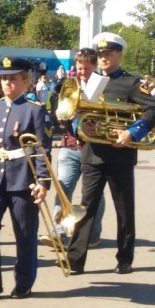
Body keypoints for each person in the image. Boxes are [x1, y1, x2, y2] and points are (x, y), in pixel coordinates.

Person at [66, 32, 155, 275]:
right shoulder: (92, 82)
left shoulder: (131, 83)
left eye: (108, 53)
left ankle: (125, 258)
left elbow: (153, 111)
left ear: (119, 54)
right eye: (100, 54)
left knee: (123, 210)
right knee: (86, 207)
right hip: (92, 154)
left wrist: (132, 132)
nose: (103, 58)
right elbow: (79, 115)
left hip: (120, 155)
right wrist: (80, 127)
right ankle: (75, 260)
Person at [0, 57, 50, 302]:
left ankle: (24, 281)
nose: (7, 83)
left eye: (13, 79)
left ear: (25, 82)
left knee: (25, 233)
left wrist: (43, 181)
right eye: (4, 78)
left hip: (23, 178)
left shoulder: (34, 109)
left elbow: (42, 149)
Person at [40, 48, 104, 247]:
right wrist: (59, 114)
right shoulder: (67, 85)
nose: (82, 71)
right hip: (69, 146)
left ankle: (92, 233)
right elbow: (55, 105)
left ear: (95, 66)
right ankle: (58, 233)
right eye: (79, 67)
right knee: (63, 189)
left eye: (86, 68)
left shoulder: (103, 87)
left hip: (93, 148)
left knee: (93, 194)